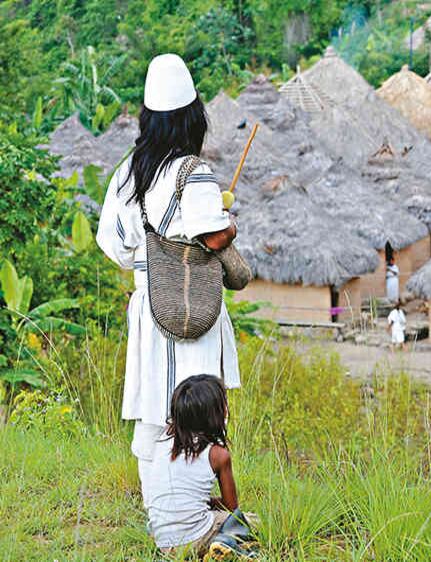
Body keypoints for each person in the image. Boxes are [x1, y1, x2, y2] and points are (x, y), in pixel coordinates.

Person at [96, 54, 240, 493]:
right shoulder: (192, 173)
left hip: (149, 304)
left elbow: (115, 246)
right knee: (197, 409)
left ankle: (159, 505)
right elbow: (214, 238)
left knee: (154, 406)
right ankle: (195, 507)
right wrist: (229, 222)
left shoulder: (127, 175)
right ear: (193, 119)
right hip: (192, 305)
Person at [145, 375, 254, 558]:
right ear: (215, 415)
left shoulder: (163, 439)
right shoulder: (218, 455)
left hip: (162, 540)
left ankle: (214, 547)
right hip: (194, 538)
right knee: (249, 520)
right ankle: (223, 545)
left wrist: (203, 502)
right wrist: (210, 503)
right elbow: (231, 507)